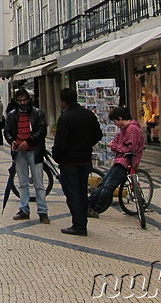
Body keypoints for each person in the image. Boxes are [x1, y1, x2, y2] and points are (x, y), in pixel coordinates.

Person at [53, 88, 103, 236]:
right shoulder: (89, 115)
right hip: (85, 160)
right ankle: (82, 223)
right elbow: (98, 135)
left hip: (69, 162)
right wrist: (86, 145)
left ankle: (79, 225)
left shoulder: (65, 118)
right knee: (82, 191)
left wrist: (57, 155)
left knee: (72, 193)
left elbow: (61, 142)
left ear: (63, 101)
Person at [88, 107, 145, 216]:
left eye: (114, 121)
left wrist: (115, 146)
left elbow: (130, 149)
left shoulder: (132, 129)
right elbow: (117, 140)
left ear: (120, 118)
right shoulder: (124, 128)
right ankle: (89, 203)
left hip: (126, 162)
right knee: (104, 182)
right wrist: (114, 145)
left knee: (108, 186)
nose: (114, 124)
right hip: (120, 160)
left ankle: (96, 208)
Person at [4, 88, 49, 223]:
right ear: (16, 101)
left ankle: (42, 211)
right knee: (22, 183)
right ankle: (24, 209)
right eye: (20, 100)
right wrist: (11, 140)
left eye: (24, 100)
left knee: (39, 183)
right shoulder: (12, 115)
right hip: (19, 153)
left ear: (29, 99)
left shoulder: (37, 113)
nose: (23, 103)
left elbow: (42, 131)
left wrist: (28, 141)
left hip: (34, 151)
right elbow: (7, 131)